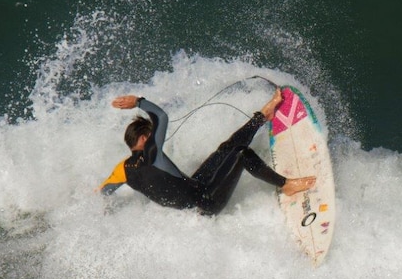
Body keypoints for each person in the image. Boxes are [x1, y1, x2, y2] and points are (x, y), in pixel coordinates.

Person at [99, 88, 316, 215]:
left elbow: (103, 192)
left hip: (193, 196)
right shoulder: (151, 152)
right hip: (206, 202)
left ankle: (262, 116)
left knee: (224, 149)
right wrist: (138, 102)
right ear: (144, 139)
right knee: (241, 154)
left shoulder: (122, 170)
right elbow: (161, 117)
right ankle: (286, 185)